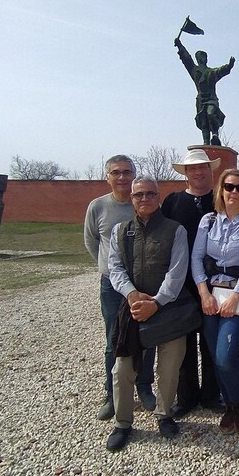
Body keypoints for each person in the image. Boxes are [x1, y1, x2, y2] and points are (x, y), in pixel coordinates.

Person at [106, 177, 189, 451]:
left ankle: (164, 415)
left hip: (168, 309)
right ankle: (123, 422)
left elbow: (177, 273)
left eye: (150, 194)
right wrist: (132, 295)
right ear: (132, 199)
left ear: (158, 197)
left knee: (168, 367)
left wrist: (157, 302)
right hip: (132, 308)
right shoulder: (121, 231)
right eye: (139, 195)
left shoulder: (175, 230)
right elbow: (115, 268)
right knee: (122, 369)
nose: (144, 199)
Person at [192, 169, 239, 435]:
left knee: (226, 356)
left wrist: (236, 297)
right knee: (214, 355)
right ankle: (230, 407)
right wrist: (203, 293)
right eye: (229, 187)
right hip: (211, 296)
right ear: (221, 190)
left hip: (237, 296)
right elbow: (196, 257)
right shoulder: (208, 221)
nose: (233, 192)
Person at [83, 155, 155, 421]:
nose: (122, 177)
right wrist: (108, 268)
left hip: (143, 283)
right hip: (112, 286)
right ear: (108, 177)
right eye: (116, 172)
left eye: (127, 172)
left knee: (146, 337)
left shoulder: (143, 202)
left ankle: (144, 387)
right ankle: (111, 393)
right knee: (114, 339)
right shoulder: (98, 206)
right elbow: (92, 241)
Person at [161, 149, 224, 418]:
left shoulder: (221, 199)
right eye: (193, 169)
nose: (198, 173)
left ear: (210, 171)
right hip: (181, 283)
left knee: (211, 341)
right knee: (182, 343)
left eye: (203, 168)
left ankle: (211, 394)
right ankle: (185, 397)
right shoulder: (173, 202)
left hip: (216, 282)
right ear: (185, 173)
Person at [174, 38, 235, 146]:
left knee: (211, 113)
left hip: (211, 99)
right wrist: (180, 46)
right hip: (201, 100)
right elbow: (186, 59)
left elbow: (219, 71)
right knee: (203, 121)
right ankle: (206, 142)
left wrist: (228, 66)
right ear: (197, 59)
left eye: (204, 57)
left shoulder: (210, 72)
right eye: (200, 57)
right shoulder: (194, 70)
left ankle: (215, 135)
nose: (202, 59)